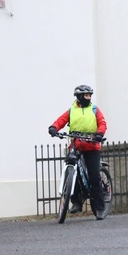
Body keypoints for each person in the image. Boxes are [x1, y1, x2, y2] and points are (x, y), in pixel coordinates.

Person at [48, 84, 108, 220]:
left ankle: (99, 208)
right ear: (79, 97)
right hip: (76, 144)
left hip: (92, 146)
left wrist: (99, 133)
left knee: (94, 178)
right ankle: (76, 201)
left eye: (90, 95)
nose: (89, 97)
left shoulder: (94, 109)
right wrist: (53, 127)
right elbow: (61, 121)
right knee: (72, 169)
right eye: (86, 95)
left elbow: (102, 123)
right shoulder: (72, 110)